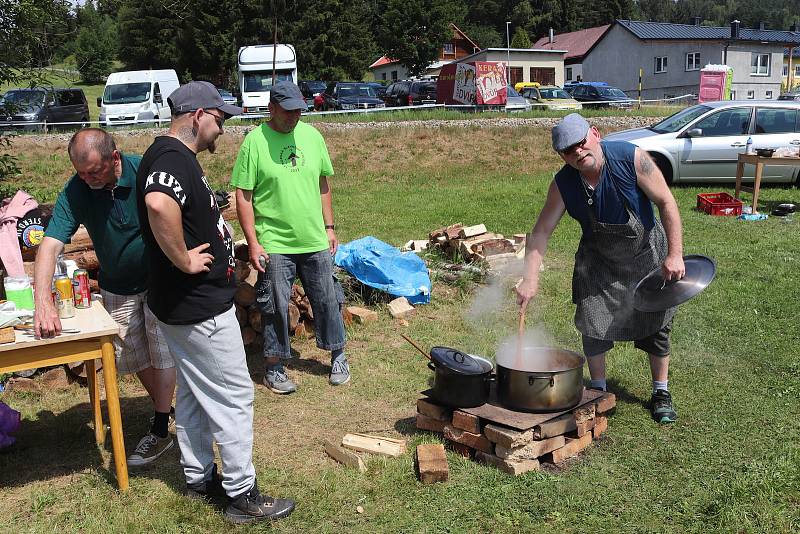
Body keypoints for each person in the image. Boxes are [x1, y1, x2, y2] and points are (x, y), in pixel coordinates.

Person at [135, 81, 294, 523]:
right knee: (235, 394)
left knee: (194, 394)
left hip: (183, 306)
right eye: (219, 120)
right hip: (197, 305)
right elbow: (158, 203)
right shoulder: (169, 159)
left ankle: (198, 477)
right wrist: (184, 259)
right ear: (197, 116)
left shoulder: (173, 156)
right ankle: (243, 494)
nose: (222, 130)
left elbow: (175, 206)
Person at [515, 113, 685, 424]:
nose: (577, 152)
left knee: (656, 325)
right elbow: (541, 232)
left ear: (595, 133)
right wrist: (530, 279)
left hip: (645, 253)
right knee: (591, 323)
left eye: (581, 143)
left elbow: (666, 202)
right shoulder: (564, 183)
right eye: (568, 151)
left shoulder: (631, 158)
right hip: (598, 260)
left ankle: (660, 391)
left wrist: (675, 254)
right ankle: (598, 390)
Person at [33, 128, 176, 466]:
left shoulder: (146, 170)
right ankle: (169, 412)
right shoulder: (77, 189)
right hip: (116, 285)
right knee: (134, 355)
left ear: (115, 158)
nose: (87, 179)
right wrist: (42, 300)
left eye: (94, 172)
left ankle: (159, 429)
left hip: (160, 279)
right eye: (81, 173)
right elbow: (51, 244)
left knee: (163, 354)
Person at [231, 81, 348, 395]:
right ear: (271, 108)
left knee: (327, 298)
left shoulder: (312, 136)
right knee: (275, 306)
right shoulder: (254, 142)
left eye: (299, 110)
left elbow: (323, 185)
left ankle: (338, 354)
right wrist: (253, 242)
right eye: (288, 111)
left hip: (314, 239)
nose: (295, 116)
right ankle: (274, 367)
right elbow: (243, 195)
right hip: (275, 242)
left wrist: (329, 227)